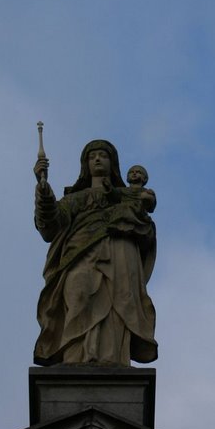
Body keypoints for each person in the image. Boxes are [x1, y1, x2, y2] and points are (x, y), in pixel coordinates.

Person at [32, 140, 158, 366]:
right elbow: (50, 224)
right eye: (92, 156)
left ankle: (112, 360)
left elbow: (145, 228)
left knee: (116, 307)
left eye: (103, 155)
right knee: (78, 296)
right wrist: (43, 188)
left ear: (113, 163)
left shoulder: (127, 197)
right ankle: (75, 358)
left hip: (119, 255)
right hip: (80, 255)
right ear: (85, 165)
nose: (98, 159)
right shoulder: (74, 199)